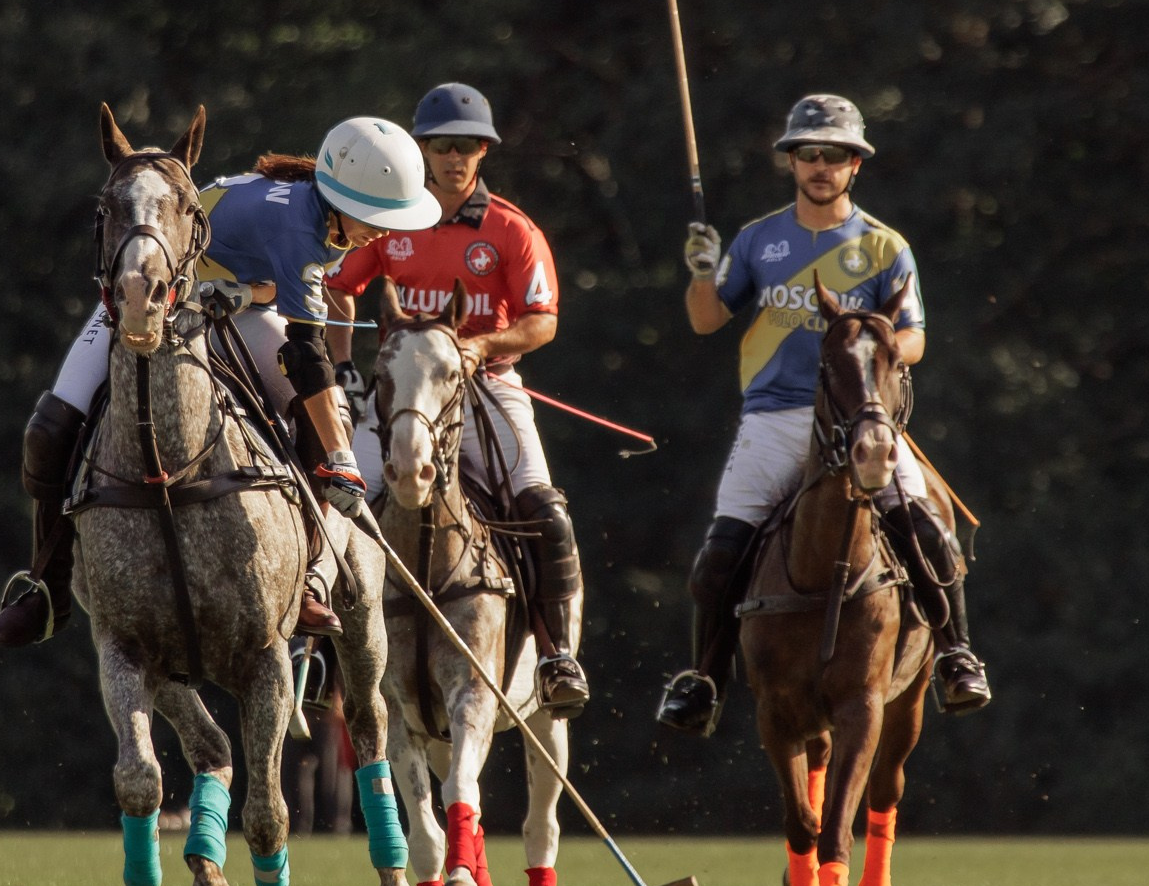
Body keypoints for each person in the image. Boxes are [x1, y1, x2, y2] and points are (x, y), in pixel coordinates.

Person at [0, 115, 440, 648]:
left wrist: (245, 296)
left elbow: (274, 288)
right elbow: (307, 351)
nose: (383, 231)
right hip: (146, 298)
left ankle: (308, 578)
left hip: (223, 304)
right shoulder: (301, 225)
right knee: (51, 427)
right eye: (375, 216)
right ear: (339, 195)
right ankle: (46, 587)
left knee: (323, 419)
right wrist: (343, 459)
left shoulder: (326, 217)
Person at [654, 93, 992, 735]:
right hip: (775, 418)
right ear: (791, 161)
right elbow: (705, 321)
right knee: (720, 554)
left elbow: (915, 337)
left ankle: (956, 656)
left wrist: (878, 341)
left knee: (927, 532)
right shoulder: (758, 239)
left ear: (855, 164)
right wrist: (702, 272)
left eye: (834, 154)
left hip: (862, 423)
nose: (820, 165)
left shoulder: (885, 247)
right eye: (808, 153)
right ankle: (703, 679)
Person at [324, 82, 590, 719]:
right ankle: (317, 654)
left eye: (467, 146)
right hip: (401, 394)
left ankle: (556, 656)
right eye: (442, 146)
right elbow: (337, 287)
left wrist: (483, 345)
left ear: (483, 153)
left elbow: (542, 319)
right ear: (422, 150)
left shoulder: (510, 230)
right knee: (337, 498)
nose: (454, 157)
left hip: (486, 387)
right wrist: (340, 367)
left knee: (543, 509)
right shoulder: (388, 222)